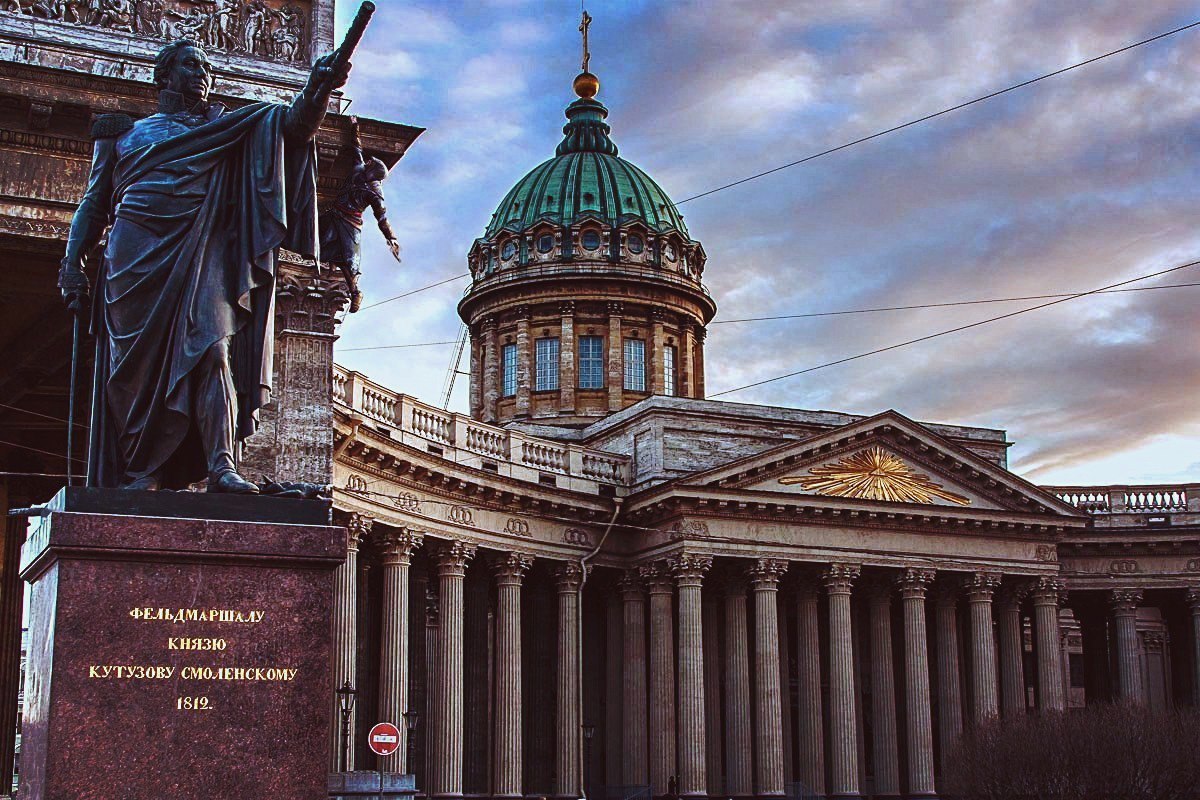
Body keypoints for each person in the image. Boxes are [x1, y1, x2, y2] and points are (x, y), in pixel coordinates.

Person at [57, 38, 349, 492]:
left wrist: (318, 89)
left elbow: (292, 127)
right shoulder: (124, 134)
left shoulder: (228, 128)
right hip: (133, 257)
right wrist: (72, 263)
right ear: (164, 75)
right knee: (135, 370)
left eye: (208, 68)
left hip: (203, 246)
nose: (203, 75)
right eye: (192, 65)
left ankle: (222, 464)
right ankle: (143, 472)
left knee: (214, 349)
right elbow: (94, 204)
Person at [318, 115, 400, 312]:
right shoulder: (358, 168)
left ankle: (355, 292)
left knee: (350, 260)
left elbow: (382, 219)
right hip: (335, 213)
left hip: (351, 222)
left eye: (370, 164)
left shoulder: (374, 192)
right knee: (318, 238)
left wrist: (391, 237)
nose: (367, 162)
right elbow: (357, 146)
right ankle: (329, 264)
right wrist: (354, 126)